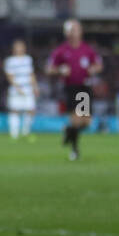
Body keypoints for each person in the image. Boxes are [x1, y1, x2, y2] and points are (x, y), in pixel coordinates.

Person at [46, 19, 102, 161]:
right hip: (70, 88)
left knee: (86, 122)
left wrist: (94, 69)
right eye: (72, 30)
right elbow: (49, 69)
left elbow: (99, 65)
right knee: (77, 120)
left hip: (84, 87)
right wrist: (59, 70)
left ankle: (68, 131)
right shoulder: (61, 51)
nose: (75, 32)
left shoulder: (87, 49)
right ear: (67, 33)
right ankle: (75, 151)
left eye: (77, 29)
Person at [3, 39, 37, 140]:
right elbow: (9, 76)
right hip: (15, 89)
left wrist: (35, 86)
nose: (19, 49)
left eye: (21, 46)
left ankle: (25, 132)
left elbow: (31, 74)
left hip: (28, 88)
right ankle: (14, 134)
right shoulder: (10, 61)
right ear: (14, 49)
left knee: (31, 110)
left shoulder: (28, 59)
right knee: (14, 110)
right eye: (17, 46)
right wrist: (17, 87)